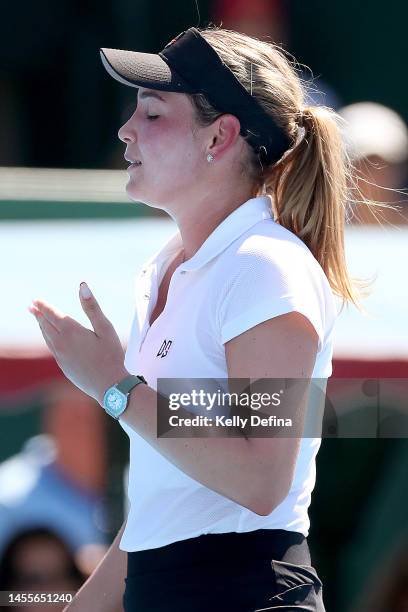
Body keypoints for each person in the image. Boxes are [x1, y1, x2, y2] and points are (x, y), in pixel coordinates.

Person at [28, 26, 387, 612]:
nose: (125, 130)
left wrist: (116, 389)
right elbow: (158, 520)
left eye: (152, 113)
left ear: (218, 137)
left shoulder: (265, 266)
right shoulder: (164, 269)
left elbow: (259, 479)